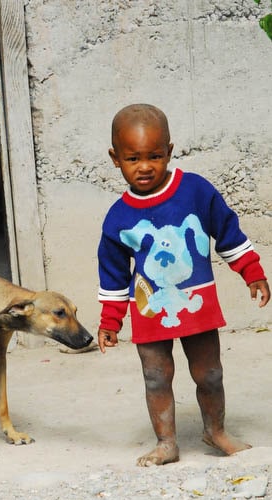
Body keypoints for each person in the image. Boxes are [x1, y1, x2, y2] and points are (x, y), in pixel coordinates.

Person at [96, 103, 270, 467]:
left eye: (155, 156)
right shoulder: (118, 217)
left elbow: (227, 232)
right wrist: (110, 322)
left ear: (170, 152)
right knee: (156, 376)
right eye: (132, 158)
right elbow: (113, 274)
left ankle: (216, 431)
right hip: (150, 310)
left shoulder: (194, 191)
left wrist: (251, 272)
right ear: (115, 158)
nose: (145, 166)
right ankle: (166, 443)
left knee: (210, 372)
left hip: (197, 304)